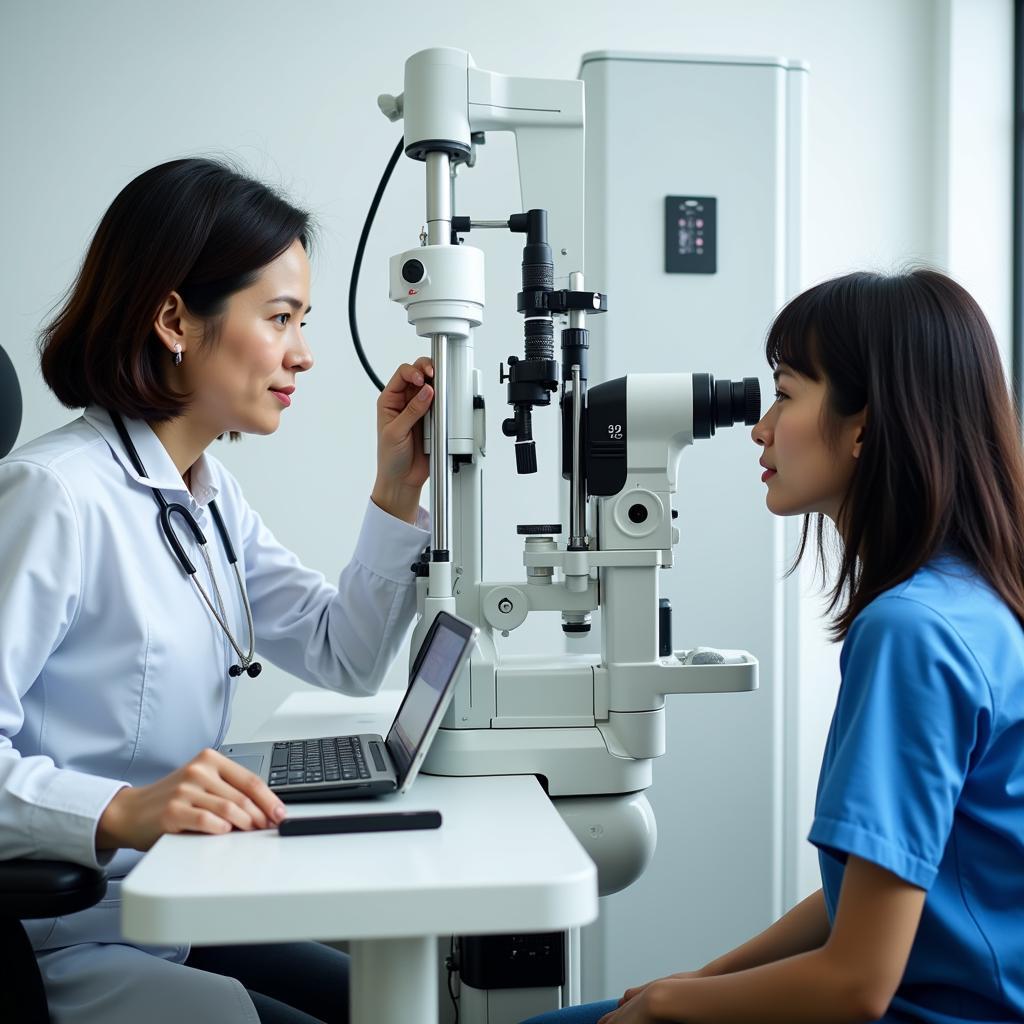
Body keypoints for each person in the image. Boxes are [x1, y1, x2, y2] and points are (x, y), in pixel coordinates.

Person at [0, 157, 437, 1024]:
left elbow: (340, 654)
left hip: (171, 899)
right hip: (65, 935)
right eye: (280, 319)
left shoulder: (201, 492)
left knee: (389, 1003)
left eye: (303, 321)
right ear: (174, 319)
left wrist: (396, 490)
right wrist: (122, 810)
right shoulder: (55, 496)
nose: (304, 355)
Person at [523, 269, 1024, 1024]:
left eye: (786, 393)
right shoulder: (974, 600)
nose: (760, 427)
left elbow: (857, 984)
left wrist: (664, 1006)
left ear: (864, 425)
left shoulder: (910, 633)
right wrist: (703, 978)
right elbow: (870, 894)